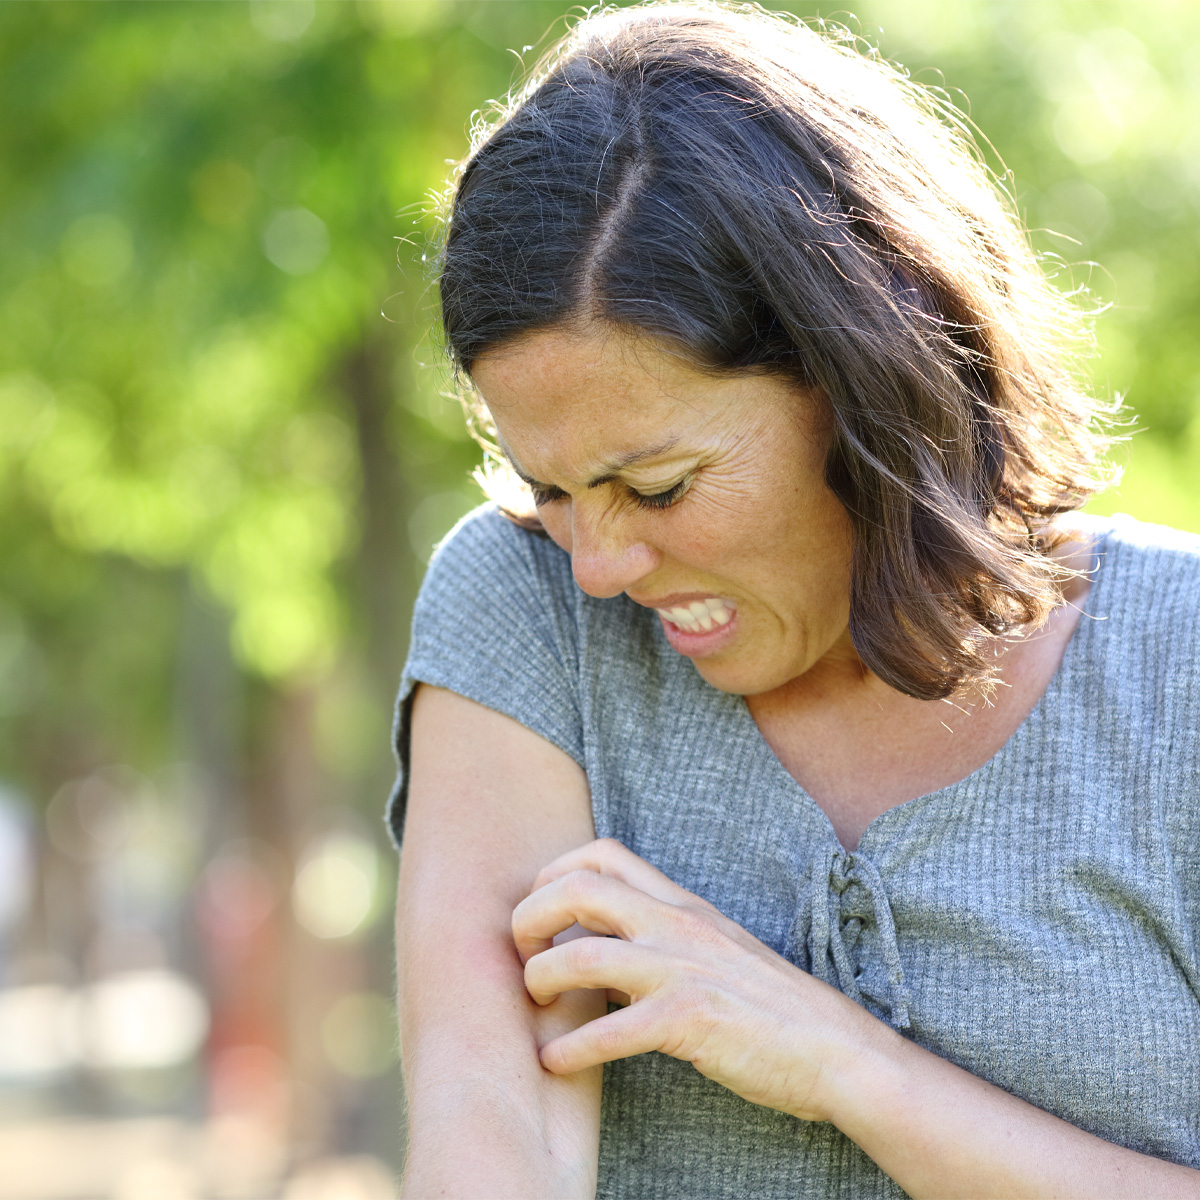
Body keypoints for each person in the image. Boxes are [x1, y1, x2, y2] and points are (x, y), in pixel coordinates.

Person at [388, 3, 1200, 1196]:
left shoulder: (1176, 667)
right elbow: (491, 1126)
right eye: (550, 486)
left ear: (864, 387)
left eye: (655, 485)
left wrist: (840, 1062)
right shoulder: (527, 612)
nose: (598, 563)